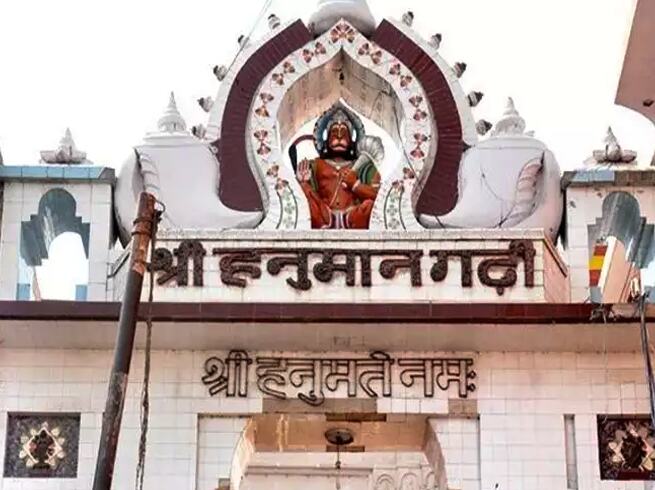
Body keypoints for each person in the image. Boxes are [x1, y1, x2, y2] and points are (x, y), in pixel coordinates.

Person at [296, 102, 383, 229]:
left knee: (369, 205)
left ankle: (348, 221)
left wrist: (355, 185)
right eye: (334, 132)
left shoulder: (364, 167)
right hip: (324, 216)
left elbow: (380, 196)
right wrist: (303, 182)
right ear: (326, 140)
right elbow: (306, 197)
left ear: (352, 141)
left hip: (353, 217)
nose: (339, 137)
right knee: (305, 192)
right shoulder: (314, 165)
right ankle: (327, 221)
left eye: (344, 132)